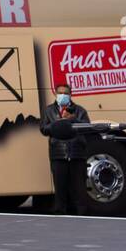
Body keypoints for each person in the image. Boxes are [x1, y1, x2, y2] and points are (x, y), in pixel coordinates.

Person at [39, 83, 90, 215]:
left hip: (77, 153)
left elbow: (87, 127)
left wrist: (73, 120)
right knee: (60, 186)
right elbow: (44, 129)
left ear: (70, 94)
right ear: (55, 94)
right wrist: (59, 123)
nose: (63, 96)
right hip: (58, 153)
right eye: (60, 93)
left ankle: (82, 213)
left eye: (66, 93)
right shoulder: (49, 110)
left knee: (79, 187)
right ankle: (60, 212)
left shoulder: (80, 111)